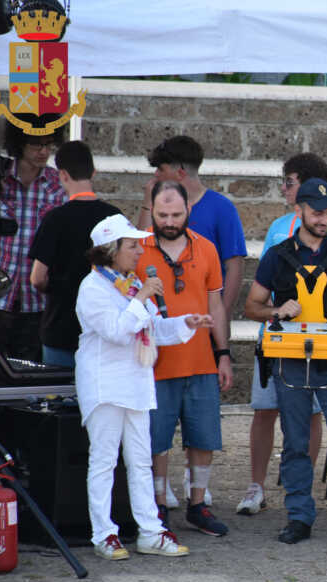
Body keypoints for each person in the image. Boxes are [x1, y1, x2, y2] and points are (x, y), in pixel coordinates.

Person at [244, 178, 327, 550]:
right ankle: (299, 517)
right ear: (299, 210)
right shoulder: (277, 255)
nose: (325, 219)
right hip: (290, 361)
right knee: (296, 445)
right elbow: (251, 307)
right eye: (318, 212)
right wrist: (276, 309)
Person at [76, 214, 203, 559]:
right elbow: (117, 331)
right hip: (105, 384)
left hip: (135, 382)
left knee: (140, 461)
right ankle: (104, 534)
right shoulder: (92, 288)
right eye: (131, 245)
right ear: (110, 249)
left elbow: (153, 328)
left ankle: (150, 531)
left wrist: (183, 323)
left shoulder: (131, 285)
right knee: (103, 460)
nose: (139, 251)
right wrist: (143, 294)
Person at [237, 153, 327, 516]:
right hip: (275, 335)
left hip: (317, 342)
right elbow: (264, 281)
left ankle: (299, 482)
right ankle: (256, 485)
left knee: (312, 413)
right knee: (264, 409)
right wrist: (274, 311)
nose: (283, 189)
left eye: (287, 182)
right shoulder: (277, 226)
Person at [139, 180, 232, 538]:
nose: (169, 220)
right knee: (157, 439)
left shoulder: (206, 248)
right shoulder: (138, 249)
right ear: (152, 210)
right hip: (155, 363)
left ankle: (197, 505)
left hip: (200, 360)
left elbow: (216, 306)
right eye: (162, 214)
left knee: (203, 436)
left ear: (188, 210)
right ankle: (158, 504)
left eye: (176, 213)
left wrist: (223, 353)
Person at [29, 141, 121, 368]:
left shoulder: (55, 219)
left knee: (58, 398)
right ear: (93, 172)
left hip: (61, 325)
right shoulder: (114, 218)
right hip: (103, 329)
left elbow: (37, 278)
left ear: (62, 175)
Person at [0, 120, 66, 361]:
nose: (43, 152)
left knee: (31, 376)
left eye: (48, 145)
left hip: (36, 299)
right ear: (19, 144)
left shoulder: (57, 183)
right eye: (35, 145)